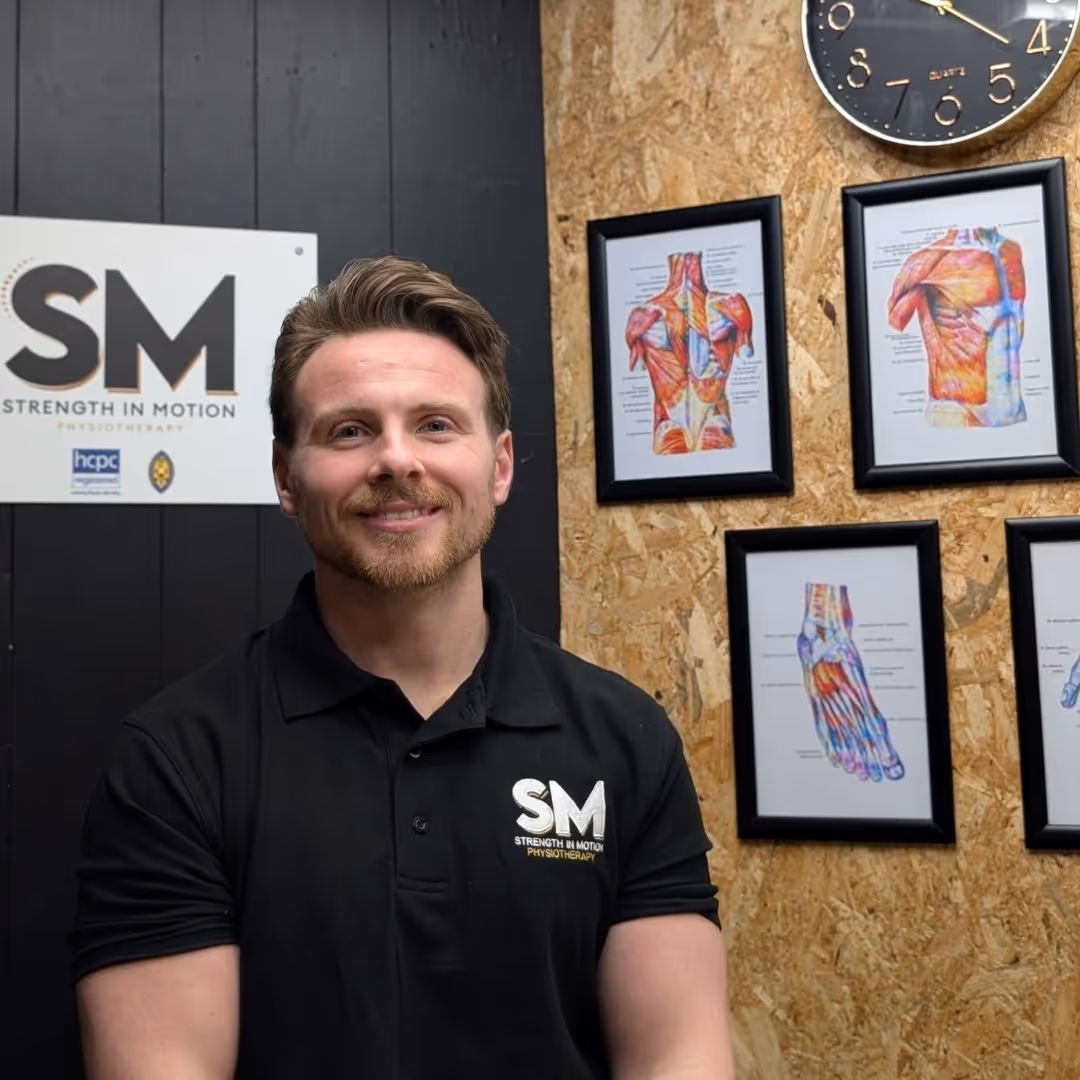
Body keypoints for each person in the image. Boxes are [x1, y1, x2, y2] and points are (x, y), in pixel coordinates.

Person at [70, 255, 737, 1079]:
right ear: (285, 477)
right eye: (350, 431)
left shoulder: (624, 739)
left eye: (436, 425)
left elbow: (677, 1057)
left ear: (499, 466)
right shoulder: (178, 758)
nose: (396, 460)